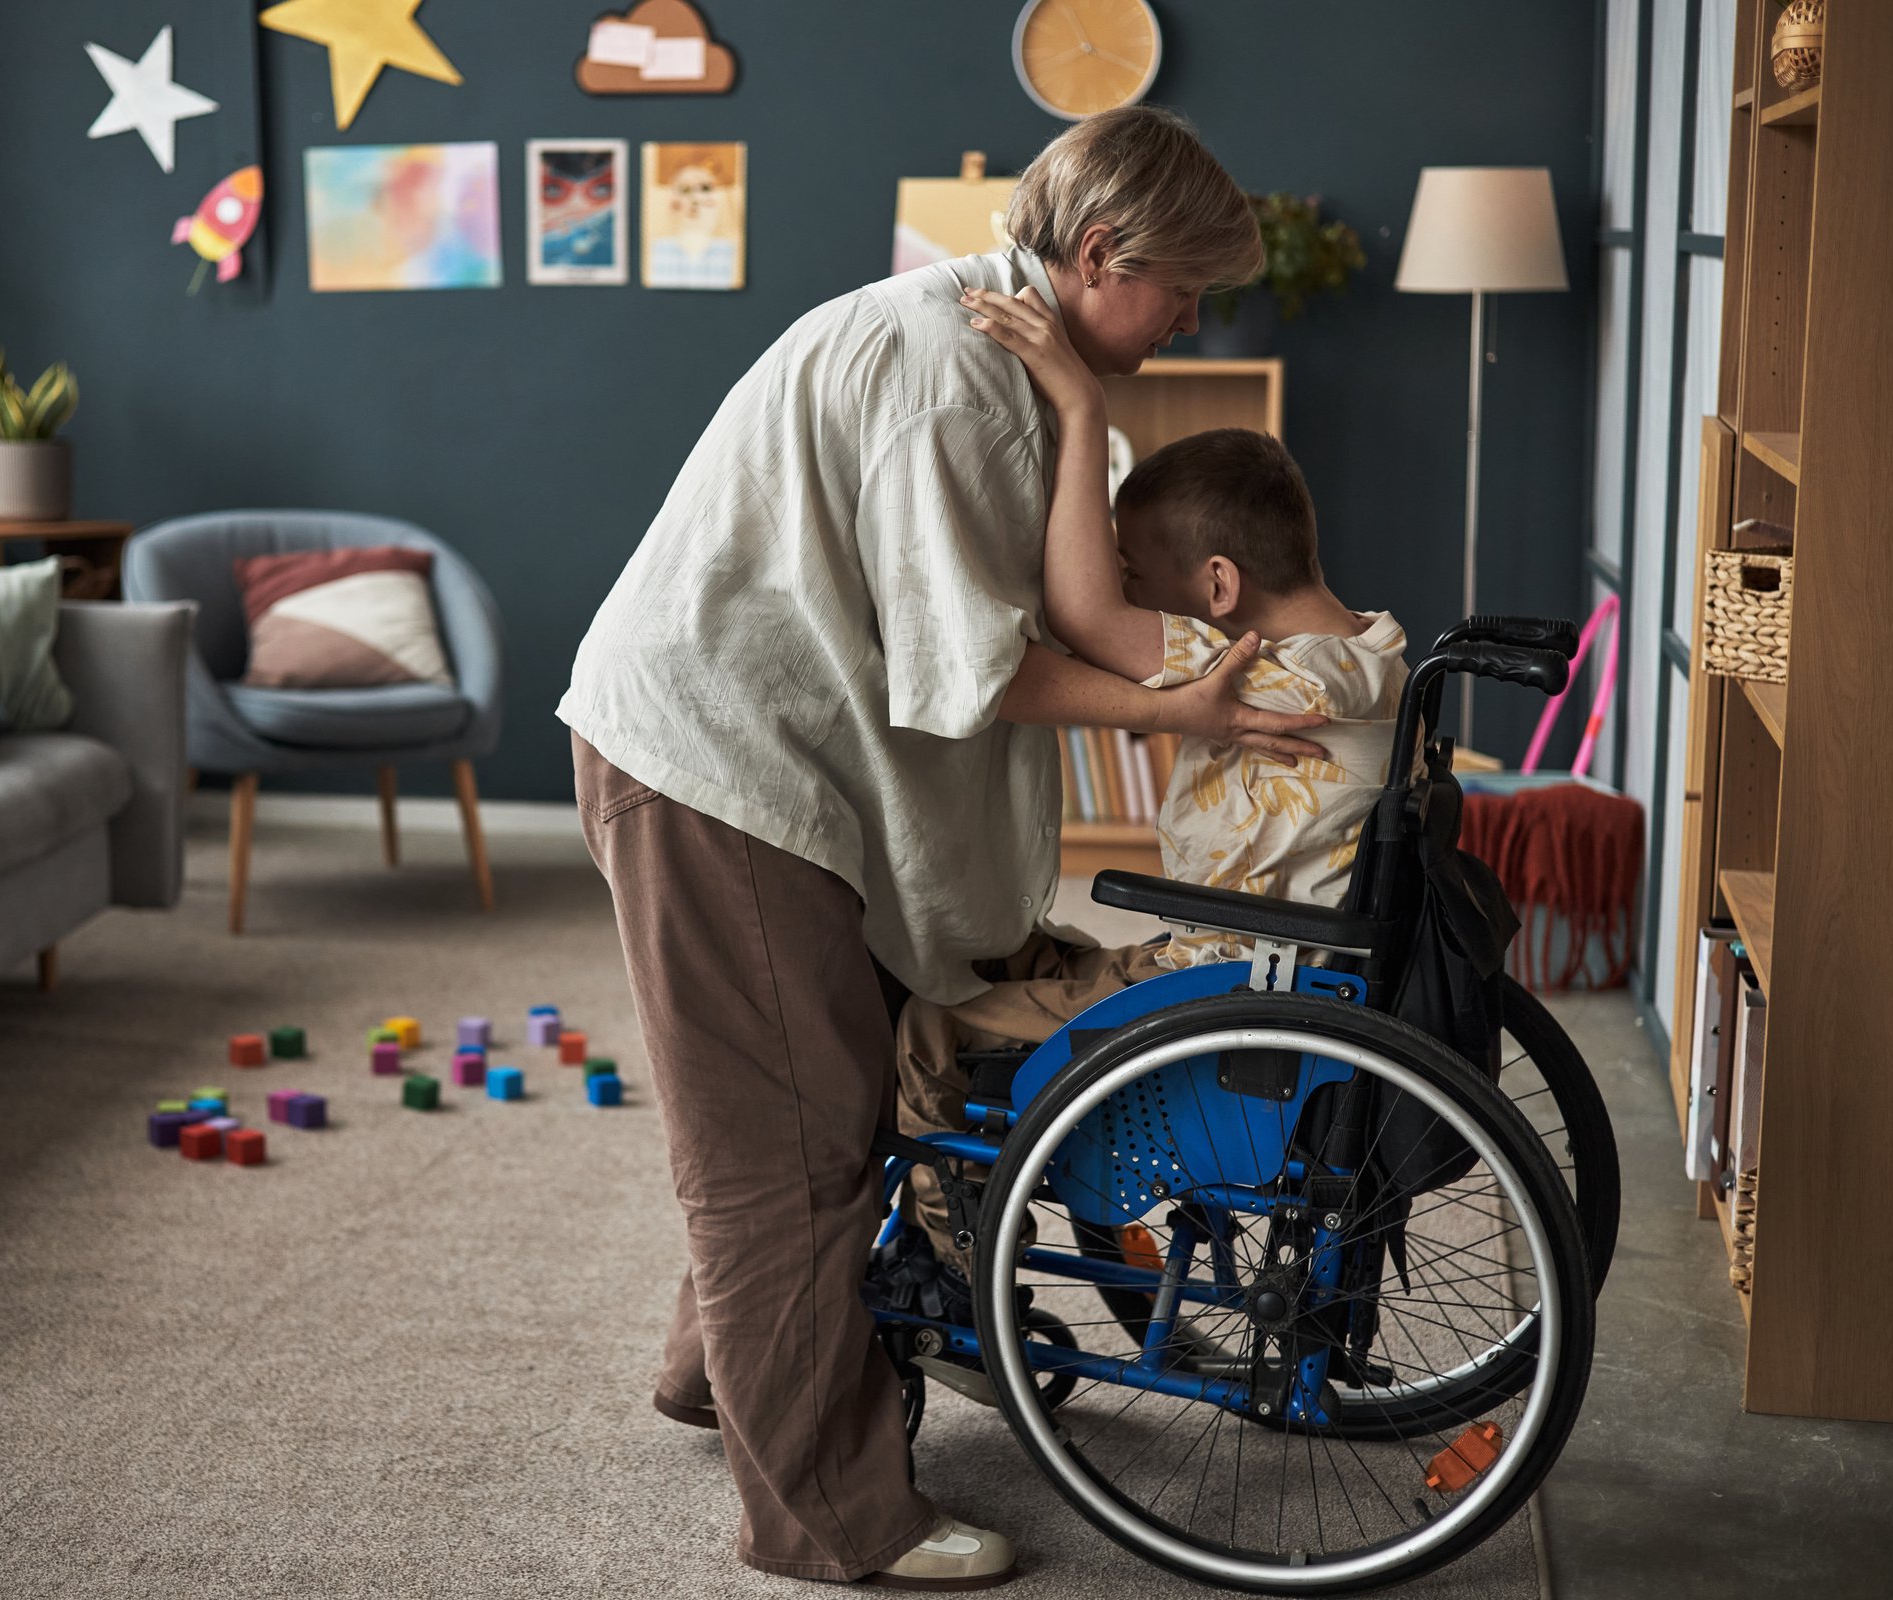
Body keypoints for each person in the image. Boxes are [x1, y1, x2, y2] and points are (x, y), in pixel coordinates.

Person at [558, 107, 1329, 1590]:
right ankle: (831, 1519)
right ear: (1099, 254)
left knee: (807, 1089)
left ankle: (715, 1376)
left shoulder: (1012, 360)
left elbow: (1050, 602)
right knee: (792, 1147)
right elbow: (963, 668)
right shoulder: (957, 385)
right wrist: (1173, 710)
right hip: (723, 761)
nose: (1190, 321)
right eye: (1183, 292)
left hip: (779, 749)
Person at [897, 279, 1409, 1271]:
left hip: (1224, 994)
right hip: (1256, 969)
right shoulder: (1373, 658)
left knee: (930, 1021)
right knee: (998, 948)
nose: (1125, 586)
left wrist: (1082, 404)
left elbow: (1084, 619)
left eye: (1137, 570)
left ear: (1218, 585)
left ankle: (949, 1263)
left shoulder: (1268, 671)